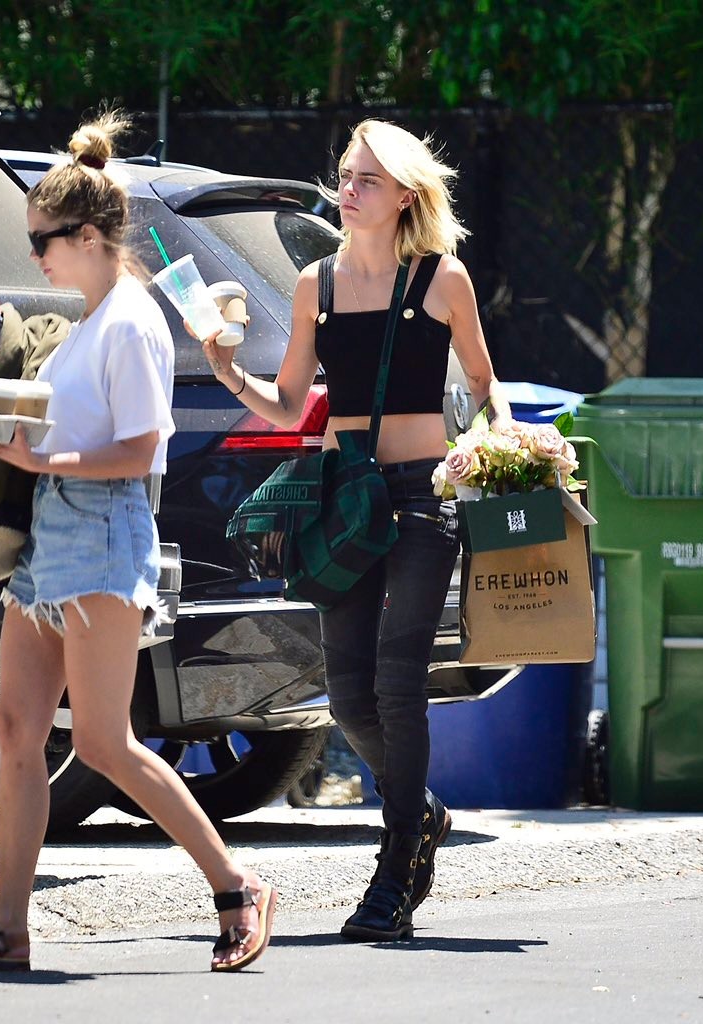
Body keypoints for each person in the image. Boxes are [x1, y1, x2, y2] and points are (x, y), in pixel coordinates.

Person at [0, 111, 276, 973]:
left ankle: (237, 885)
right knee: (17, 727)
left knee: (106, 743)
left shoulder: (132, 322)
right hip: (51, 539)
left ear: (87, 235)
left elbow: (145, 448)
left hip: (104, 537)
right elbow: (56, 423)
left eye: (43, 238)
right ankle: (6, 925)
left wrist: (34, 452)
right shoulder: (90, 317)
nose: (34, 252)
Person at [197, 118, 512, 941]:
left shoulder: (444, 280)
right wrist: (229, 369)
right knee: (346, 693)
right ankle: (423, 812)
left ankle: (396, 864)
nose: (349, 189)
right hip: (343, 497)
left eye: (367, 179)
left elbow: (483, 383)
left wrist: (495, 443)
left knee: (400, 685)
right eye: (344, 174)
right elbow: (293, 402)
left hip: (421, 497)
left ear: (406, 193)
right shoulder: (316, 284)